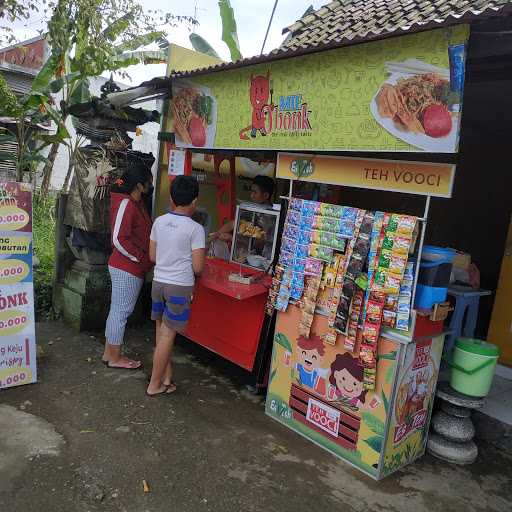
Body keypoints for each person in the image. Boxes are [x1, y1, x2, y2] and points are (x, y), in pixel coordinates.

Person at [146, 176, 206, 396]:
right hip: (179, 287)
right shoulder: (196, 229)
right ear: (195, 201)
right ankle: (154, 384)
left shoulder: (159, 222)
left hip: (158, 282)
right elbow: (198, 267)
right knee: (168, 336)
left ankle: (165, 377)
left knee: (161, 332)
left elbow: (153, 255)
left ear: (171, 198)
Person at [102, 167, 154, 369]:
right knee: (121, 312)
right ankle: (115, 357)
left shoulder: (136, 203)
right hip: (127, 267)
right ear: (139, 185)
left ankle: (110, 353)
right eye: (148, 182)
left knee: (118, 311)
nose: (151, 186)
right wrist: (141, 259)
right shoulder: (127, 203)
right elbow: (118, 238)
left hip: (130, 266)